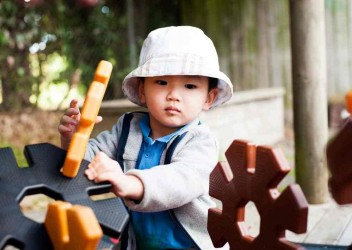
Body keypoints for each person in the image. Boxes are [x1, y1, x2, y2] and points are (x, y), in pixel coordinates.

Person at [58, 26, 233, 250]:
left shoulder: (200, 141)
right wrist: (74, 141)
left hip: (192, 245)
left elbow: (181, 181)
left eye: (189, 86)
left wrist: (130, 183)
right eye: (161, 83)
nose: (174, 95)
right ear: (142, 90)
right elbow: (91, 160)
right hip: (139, 242)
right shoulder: (128, 128)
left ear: (209, 97)